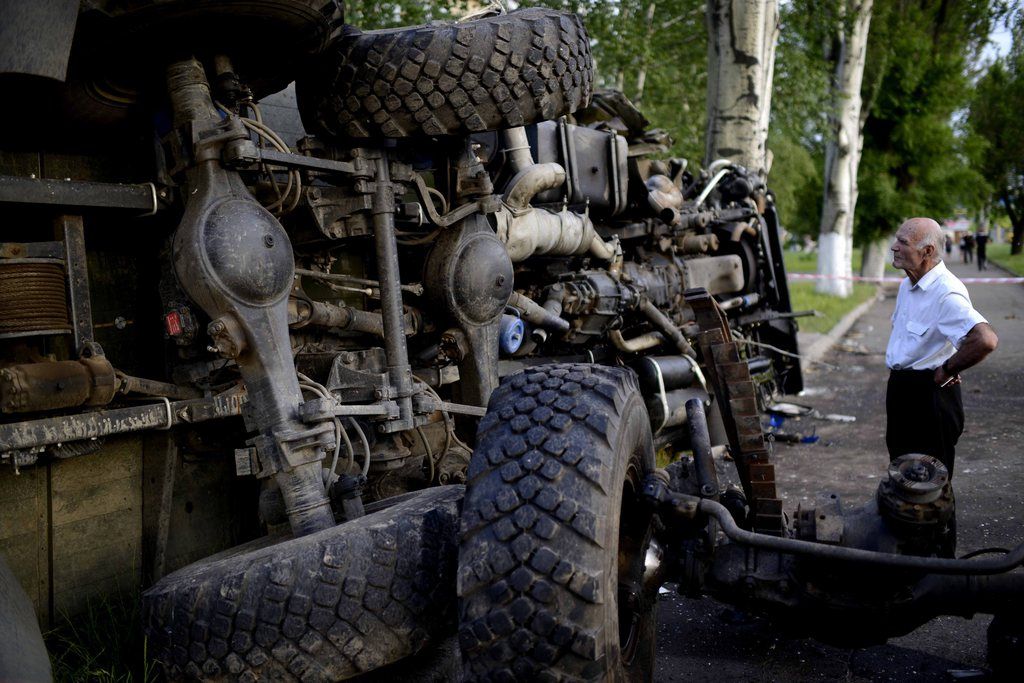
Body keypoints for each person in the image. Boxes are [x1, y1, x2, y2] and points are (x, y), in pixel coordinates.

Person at [886, 218, 998, 475]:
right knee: (902, 478)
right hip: (903, 391)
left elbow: (985, 339)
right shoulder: (908, 284)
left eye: (903, 242)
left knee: (930, 487)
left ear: (927, 251)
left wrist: (948, 368)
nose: (894, 247)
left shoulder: (946, 292)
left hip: (930, 397)